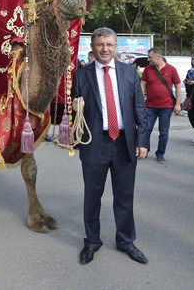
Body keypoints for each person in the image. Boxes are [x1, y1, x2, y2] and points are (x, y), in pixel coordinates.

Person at [72, 27, 149, 266]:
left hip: (125, 142)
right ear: (93, 47)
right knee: (92, 197)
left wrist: (142, 141)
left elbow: (140, 110)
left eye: (109, 45)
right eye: (100, 45)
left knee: (125, 196)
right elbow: (74, 109)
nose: (104, 49)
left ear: (115, 47)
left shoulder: (129, 72)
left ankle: (126, 240)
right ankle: (92, 241)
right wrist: (76, 108)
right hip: (95, 143)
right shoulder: (81, 75)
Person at [141, 47, 181, 163]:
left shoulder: (171, 69)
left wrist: (178, 104)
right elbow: (142, 84)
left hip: (166, 106)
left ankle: (160, 153)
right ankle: (145, 150)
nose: (148, 60)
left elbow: (178, 86)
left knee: (163, 132)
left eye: (150, 57)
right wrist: (140, 101)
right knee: (146, 129)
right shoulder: (148, 69)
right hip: (150, 106)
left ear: (158, 57)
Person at [183, 54, 194, 144]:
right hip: (191, 97)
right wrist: (186, 82)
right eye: (192, 59)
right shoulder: (190, 71)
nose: (192, 61)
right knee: (191, 116)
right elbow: (187, 81)